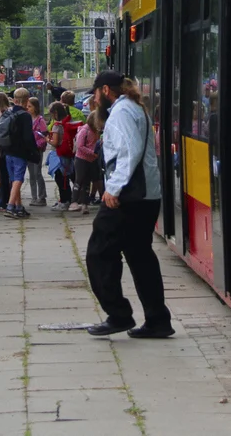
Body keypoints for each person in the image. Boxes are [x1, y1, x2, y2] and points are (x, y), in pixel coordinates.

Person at [84, 71, 173, 339]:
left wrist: (113, 188)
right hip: (145, 195)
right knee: (140, 255)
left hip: (128, 196)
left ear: (106, 91)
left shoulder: (121, 112)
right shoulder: (135, 108)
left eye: (96, 92)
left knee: (99, 252)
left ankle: (119, 314)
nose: (95, 97)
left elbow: (128, 152)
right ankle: (158, 320)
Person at [1, 88, 42, 218]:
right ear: (26, 100)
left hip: (7, 150)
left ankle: (19, 207)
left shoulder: (7, 113)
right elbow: (27, 137)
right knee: (18, 179)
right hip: (19, 152)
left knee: (13, 179)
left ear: (14, 99)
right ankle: (10, 206)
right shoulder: (25, 116)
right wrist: (33, 151)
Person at [69, 109, 104, 214]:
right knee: (79, 180)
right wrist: (92, 152)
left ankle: (85, 204)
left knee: (87, 183)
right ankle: (73, 202)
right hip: (82, 159)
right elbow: (80, 146)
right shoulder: (85, 130)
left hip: (92, 160)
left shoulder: (95, 131)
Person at [47, 102, 74, 209]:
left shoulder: (57, 126)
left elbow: (55, 142)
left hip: (58, 155)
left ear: (56, 113)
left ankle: (64, 201)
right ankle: (68, 199)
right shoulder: (68, 122)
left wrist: (47, 139)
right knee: (65, 179)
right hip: (67, 154)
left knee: (60, 179)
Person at [26, 97, 49, 207]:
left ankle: (42, 196)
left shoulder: (40, 120)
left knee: (37, 173)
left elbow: (44, 134)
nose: (28, 108)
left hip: (37, 149)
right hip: (29, 149)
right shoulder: (27, 119)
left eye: (30, 106)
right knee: (31, 174)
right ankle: (34, 197)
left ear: (35, 107)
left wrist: (40, 143)